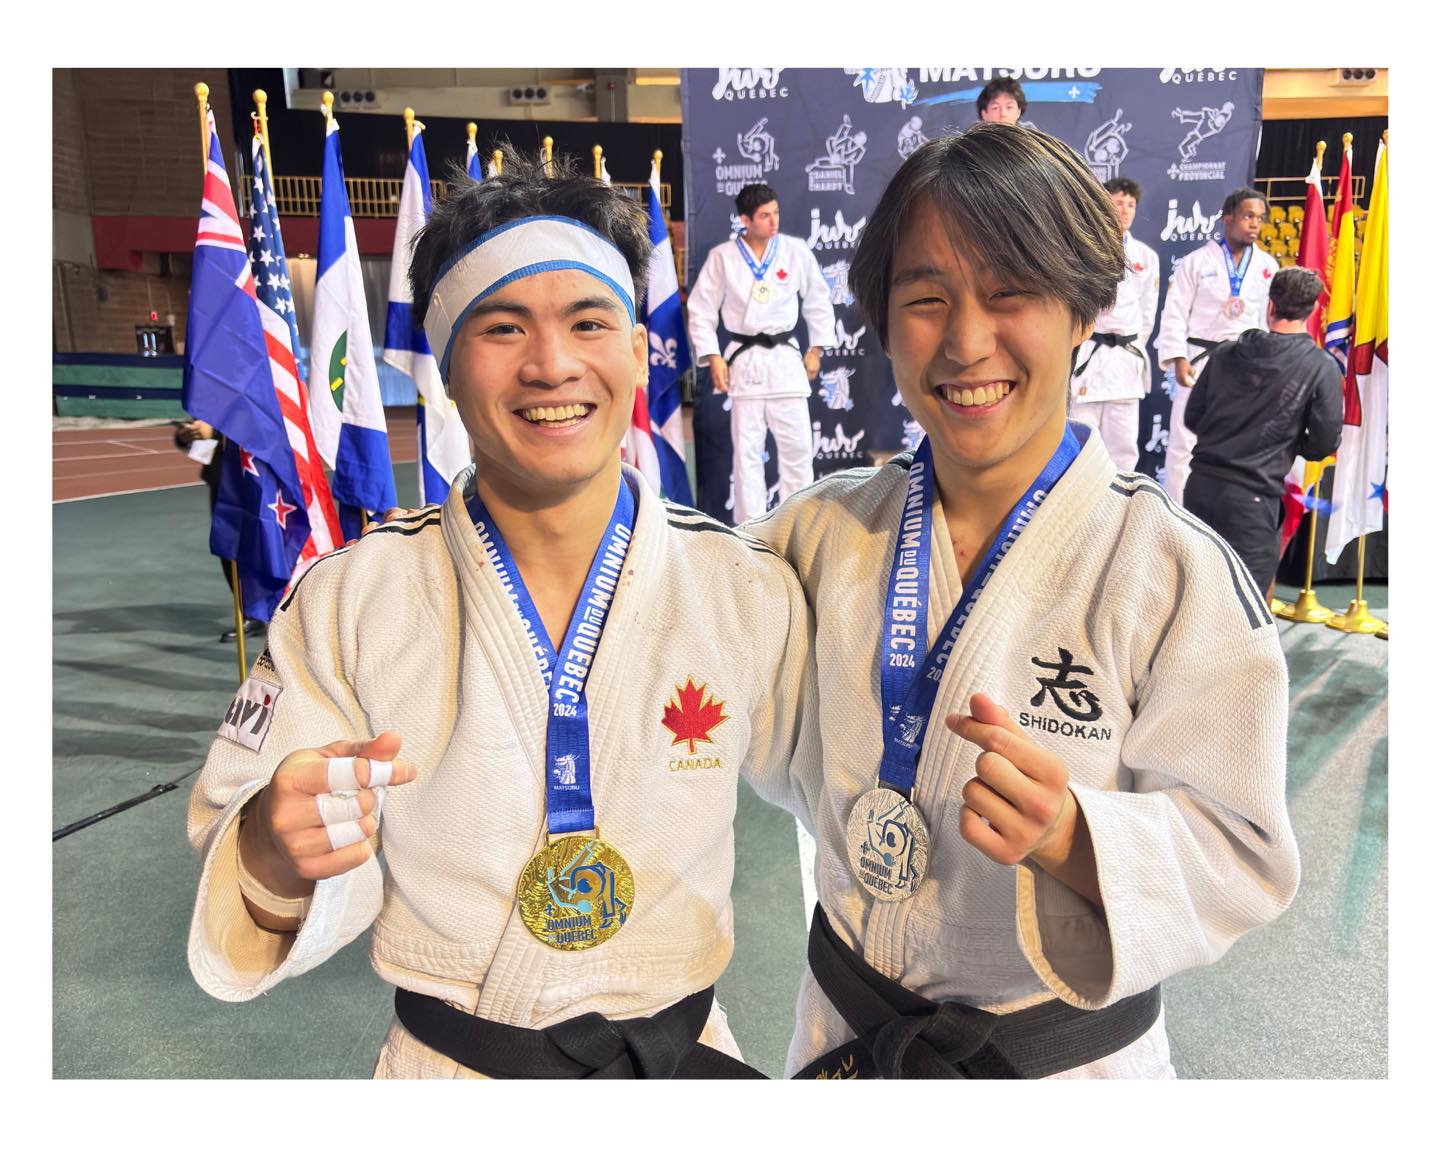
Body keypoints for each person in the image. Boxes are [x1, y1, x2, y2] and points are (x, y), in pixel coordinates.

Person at [185, 149, 819, 1079]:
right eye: (503, 327)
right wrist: (275, 855)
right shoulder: (353, 598)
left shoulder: (739, 586)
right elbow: (247, 829)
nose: (552, 364)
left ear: (637, 351)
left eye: (590, 322)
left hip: (679, 1062)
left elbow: (858, 787)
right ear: (445, 369)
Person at [745, 124, 1300, 1079]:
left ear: (1084, 310)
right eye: (926, 300)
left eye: (1011, 293)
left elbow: (1244, 851)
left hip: (1063, 1071)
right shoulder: (817, 534)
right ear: (883, 322)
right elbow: (662, 621)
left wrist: (1075, 838)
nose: (966, 342)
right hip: (849, 1038)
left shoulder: (1170, 571)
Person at [1183, 266, 1343, 598]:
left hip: (1199, 487)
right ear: (1314, 310)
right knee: (1244, 607)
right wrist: (1287, 441)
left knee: (1191, 595)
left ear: (1270, 305)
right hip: (1252, 501)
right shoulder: (1320, 366)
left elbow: (1193, 417)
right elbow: (1323, 443)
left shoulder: (1225, 352)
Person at [687, 182, 837, 523]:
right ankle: (750, 530)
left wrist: (816, 349)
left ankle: (798, 523)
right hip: (746, 362)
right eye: (764, 216)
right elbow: (701, 309)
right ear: (745, 220)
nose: (774, 222)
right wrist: (713, 355)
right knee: (747, 456)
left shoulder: (795, 251)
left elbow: (818, 298)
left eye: (776, 213)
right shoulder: (723, 257)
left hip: (785, 361)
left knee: (798, 451)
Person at [1156, 187, 1278, 506]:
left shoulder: (1267, 266)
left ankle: (1227, 513)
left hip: (1246, 362)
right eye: (1248, 216)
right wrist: (1178, 358)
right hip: (1201, 360)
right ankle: (1176, 515)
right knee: (1184, 441)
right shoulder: (1195, 262)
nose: (1255, 224)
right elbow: (1175, 312)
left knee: (1240, 439)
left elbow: (1267, 321)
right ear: (1228, 219)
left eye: (1260, 218)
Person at [1068, 176, 1160, 472]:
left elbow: (1147, 314)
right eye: (1119, 203)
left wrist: (1128, 345)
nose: (1125, 210)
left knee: (1124, 448)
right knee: (1080, 444)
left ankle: (1121, 498)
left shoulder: (1146, 256)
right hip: (1089, 358)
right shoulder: (1083, 249)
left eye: (1131, 204)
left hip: (1125, 363)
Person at [173, 417, 264, 642]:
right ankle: (251, 614)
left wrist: (214, 431)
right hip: (223, 479)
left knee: (266, 547)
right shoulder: (215, 395)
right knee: (228, 549)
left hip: (255, 478)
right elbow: (204, 438)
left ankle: (289, 610)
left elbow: (257, 422)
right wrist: (189, 436)